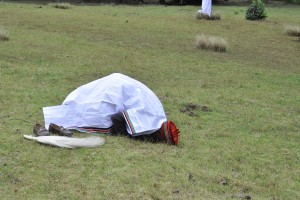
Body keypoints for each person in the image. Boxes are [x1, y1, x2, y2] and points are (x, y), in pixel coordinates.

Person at [42, 73, 179, 145]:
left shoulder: (156, 116)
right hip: (116, 90)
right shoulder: (149, 120)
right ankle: (60, 116)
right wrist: (127, 136)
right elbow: (116, 118)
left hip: (123, 87)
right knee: (91, 110)